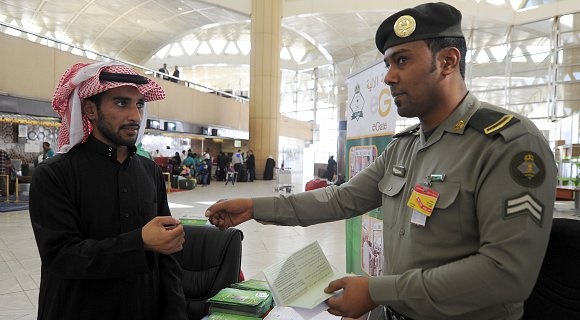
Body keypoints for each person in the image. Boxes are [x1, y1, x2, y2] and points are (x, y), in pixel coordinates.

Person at [205, 3, 557, 320]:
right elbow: (341, 198)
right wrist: (254, 206)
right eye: (388, 63)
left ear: (448, 61)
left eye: (402, 60)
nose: (388, 76)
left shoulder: (507, 144)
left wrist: (376, 291)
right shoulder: (405, 146)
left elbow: (506, 274)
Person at [29, 62, 187, 320]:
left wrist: (176, 312)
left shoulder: (149, 172)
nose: (135, 116)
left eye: (139, 104)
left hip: (142, 307)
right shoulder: (55, 174)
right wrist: (140, 242)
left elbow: (167, 256)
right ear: (90, 110)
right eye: (122, 103)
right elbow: (60, 256)